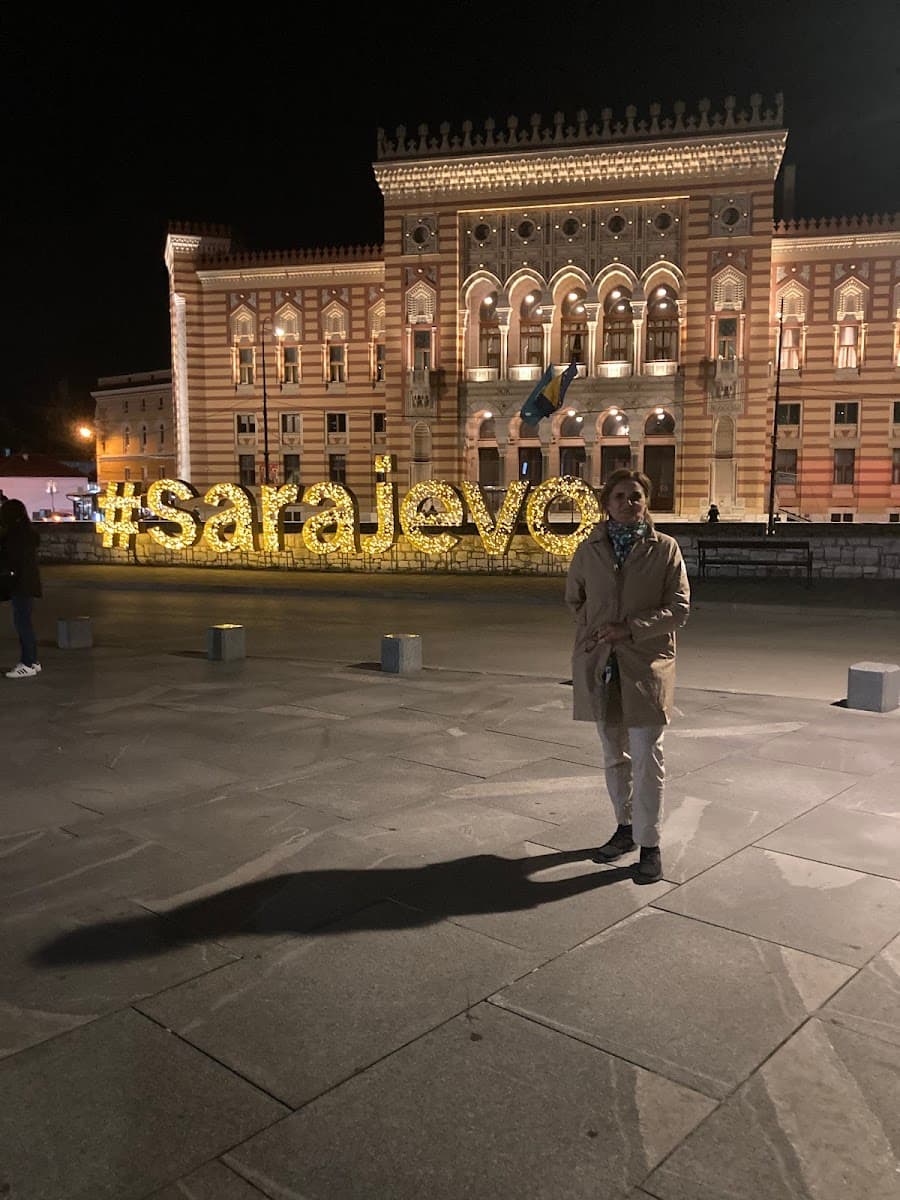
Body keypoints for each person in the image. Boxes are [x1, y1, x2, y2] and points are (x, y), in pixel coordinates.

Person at [565, 468, 690, 883]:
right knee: (613, 755)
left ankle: (649, 842)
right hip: (601, 664)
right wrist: (596, 627)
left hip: (646, 666)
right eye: (619, 496)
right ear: (607, 503)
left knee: (647, 756)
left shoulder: (664, 549)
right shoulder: (589, 550)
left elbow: (679, 609)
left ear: (645, 501)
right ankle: (624, 828)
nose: (627, 502)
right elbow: (574, 599)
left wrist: (631, 629)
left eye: (635, 495)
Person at [0, 498, 43, 678]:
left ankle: (28, 663)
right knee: (25, 622)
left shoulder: (16, 535)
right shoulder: (27, 533)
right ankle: (32, 661)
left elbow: (11, 560)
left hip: (21, 584)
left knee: (22, 623)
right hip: (27, 583)